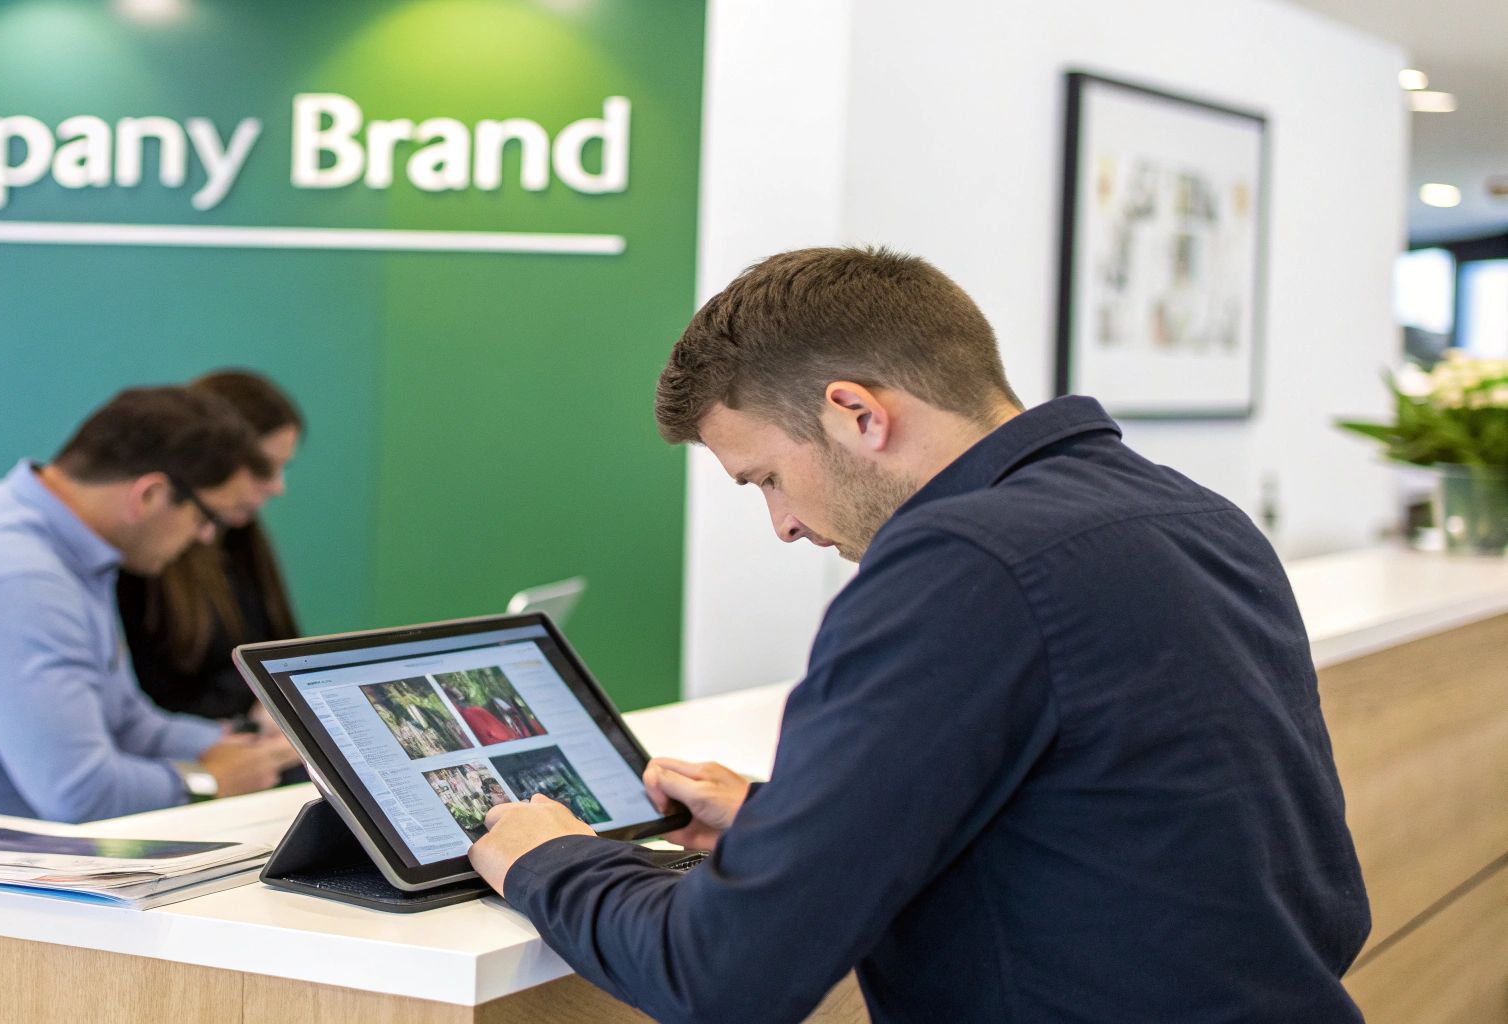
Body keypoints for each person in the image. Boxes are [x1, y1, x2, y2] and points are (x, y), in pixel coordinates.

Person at [469, 247, 1370, 1023]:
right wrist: (782, 823)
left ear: (858, 414)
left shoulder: (961, 561)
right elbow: (1114, 817)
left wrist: (551, 859)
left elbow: (722, 973)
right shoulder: (1185, 511)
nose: (782, 527)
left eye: (768, 480)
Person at [0, 387, 303, 822]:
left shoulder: (66, 547)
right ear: (150, 494)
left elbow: (126, 721)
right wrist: (209, 781)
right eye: (207, 518)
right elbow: (81, 796)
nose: (205, 538)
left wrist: (239, 749)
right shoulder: (19, 580)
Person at [117, 370, 304, 723]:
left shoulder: (242, 537)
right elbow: (147, 703)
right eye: (264, 468)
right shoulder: (146, 553)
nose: (278, 487)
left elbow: (279, 649)